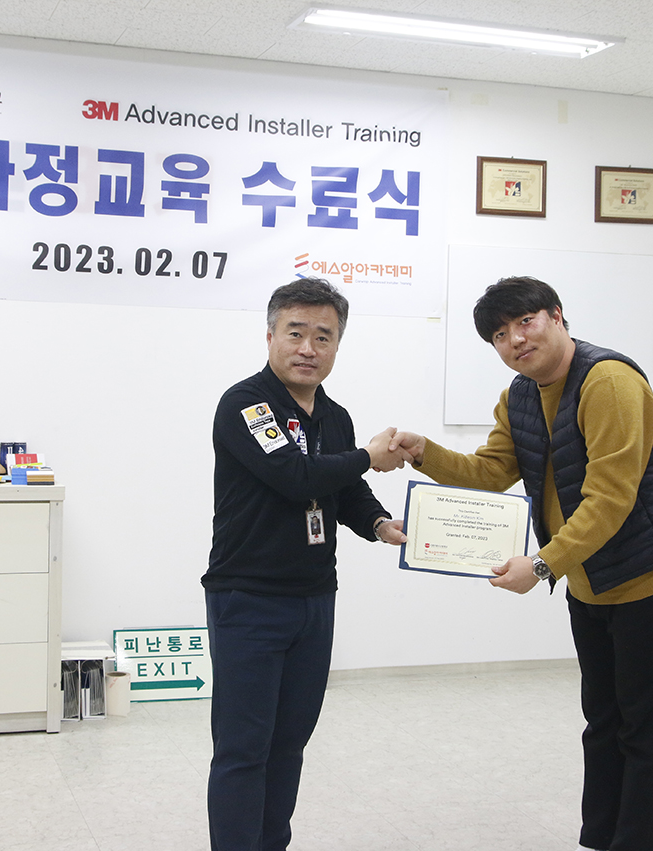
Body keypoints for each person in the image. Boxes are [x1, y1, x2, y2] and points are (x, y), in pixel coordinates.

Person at [389, 276, 653, 851]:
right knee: (602, 720)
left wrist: (541, 566)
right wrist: (423, 452)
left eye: (525, 322)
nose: (515, 340)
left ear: (557, 316)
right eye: (500, 335)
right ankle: (601, 838)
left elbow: (611, 498)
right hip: (590, 578)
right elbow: (492, 471)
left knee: (645, 728)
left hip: (652, 574)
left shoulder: (608, 380)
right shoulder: (520, 396)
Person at [203, 276, 408, 851]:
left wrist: (379, 523)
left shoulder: (335, 416)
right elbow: (295, 477)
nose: (308, 348)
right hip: (248, 598)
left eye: (324, 336)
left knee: (289, 744)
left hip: (315, 598)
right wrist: (367, 456)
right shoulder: (245, 404)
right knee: (244, 748)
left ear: (337, 345)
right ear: (270, 336)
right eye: (296, 333)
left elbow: (345, 490)